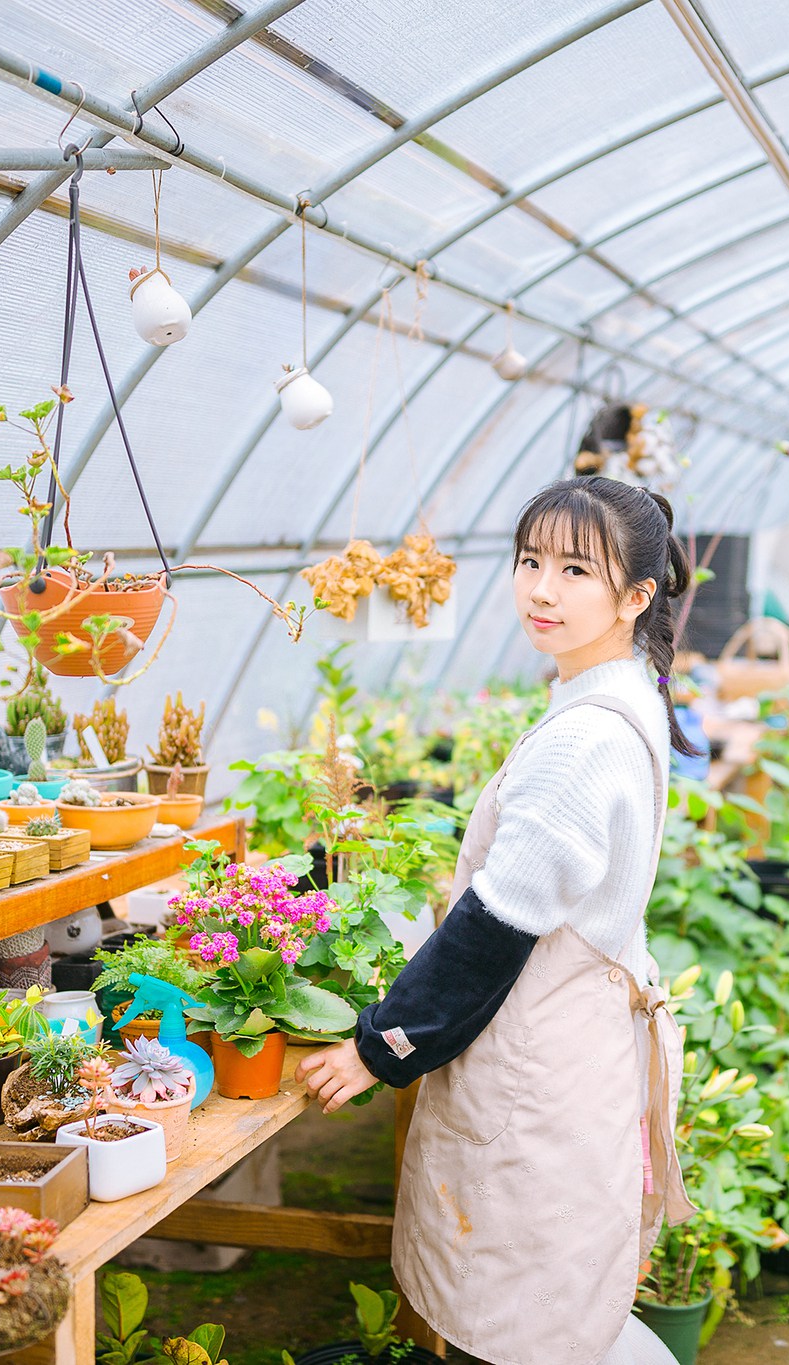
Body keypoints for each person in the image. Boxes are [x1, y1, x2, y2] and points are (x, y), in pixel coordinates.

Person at [299, 476, 700, 1365]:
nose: (541, 590)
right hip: (579, 1037)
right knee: (547, 1305)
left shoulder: (584, 737)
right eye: (529, 562)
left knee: (514, 1319)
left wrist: (376, 1048)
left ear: (637, 596)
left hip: (541, 1062)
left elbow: (492, 927)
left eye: (574, 570)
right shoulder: (624, 693)